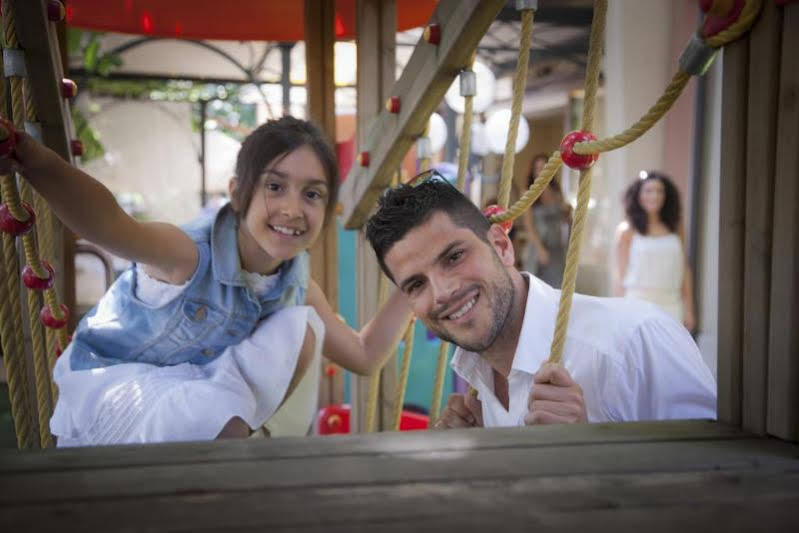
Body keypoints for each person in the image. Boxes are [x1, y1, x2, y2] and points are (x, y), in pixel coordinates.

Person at [2, 116, 411, 445]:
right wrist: (30, 157)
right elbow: (109, 225)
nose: (293, 208)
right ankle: (231, 457)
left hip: (194, 391)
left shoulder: (293, 282)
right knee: (217, 415)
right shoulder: (190, 252)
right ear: (238, 193)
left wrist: (417, 277)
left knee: (301, 327)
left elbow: (364, 355)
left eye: (312, 194)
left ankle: (246, 443)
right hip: (115, 386)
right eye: (274, 186)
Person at [365, 177, 715, 430]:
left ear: (502, 246)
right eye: (416, 284)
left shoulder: (634, 340)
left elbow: (719, 485)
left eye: (454, 257)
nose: (442, 292)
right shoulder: (477, 388)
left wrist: (589, 449)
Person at [615, 171, 696, 331]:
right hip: (637, 304)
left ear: (666, 196)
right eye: (648, 191)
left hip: (672, 305)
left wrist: (689, 309)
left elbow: (684, 269)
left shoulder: (675, 228)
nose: (654, 196)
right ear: (638, 196)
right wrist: (618, 310)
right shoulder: (626, 231)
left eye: (659, 191)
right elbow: (620, 275)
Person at [520, 154, 571, 288]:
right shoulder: (528, 192)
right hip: (538, 246)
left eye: (544, 168)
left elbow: (564, 218)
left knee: (557, 286)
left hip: (556, 247)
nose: (541, 172)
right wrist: (540, 249)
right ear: (533, 171)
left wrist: (567, 211)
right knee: (537, 287)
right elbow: (528, 225)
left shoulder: (556, 191)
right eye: (538, 169)